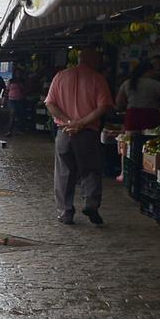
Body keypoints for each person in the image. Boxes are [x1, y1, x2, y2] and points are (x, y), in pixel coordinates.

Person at [45, 48, 114, 225]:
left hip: (64, 133)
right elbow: (103, 106)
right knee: (90, 169)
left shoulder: (60, 76)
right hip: (88, 134)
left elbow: (50, 103)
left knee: (63, 173)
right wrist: (81, 123)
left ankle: (65, 212)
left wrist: (68, 121)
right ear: (94, 60)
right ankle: (91, 203)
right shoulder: (98, 78)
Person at [116, 62, 160, 133]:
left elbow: (119, 102)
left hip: (132, 116)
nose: (155, 73)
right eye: (154, 71)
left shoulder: (127, 83)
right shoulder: (154, 84)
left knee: (131, 141)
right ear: (149, 71)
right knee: (148, 141)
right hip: (150, 116)